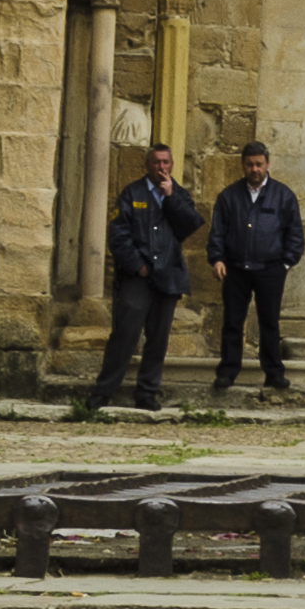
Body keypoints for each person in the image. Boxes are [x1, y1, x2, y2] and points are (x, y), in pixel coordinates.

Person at [93, 142, 199, 411]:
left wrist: (171, 197)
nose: (161, 167)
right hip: (137, 278)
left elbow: (190, 225)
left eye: (165, 162)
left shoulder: (180, 194)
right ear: (147, 165)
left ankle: (147, 392)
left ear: (171, 165)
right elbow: (118, 235)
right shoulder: (132, 193)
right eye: (156, 162)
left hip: (168, 276)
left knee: (158, 339)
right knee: (124, 334)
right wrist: (137, 265)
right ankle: (103, 391)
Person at [202, 140, 305, 396]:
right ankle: (227, 372)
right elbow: (218, 232)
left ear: (267, 164)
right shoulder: (228, 196)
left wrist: (285, 263)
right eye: (250, 164)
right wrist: (217, 259)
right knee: (233, 322)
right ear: (243, 165)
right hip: (236, 269)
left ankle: (274, 374)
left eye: (259, 164)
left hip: (270, 269)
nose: (255, 169)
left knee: (269, 322)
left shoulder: (283, 196)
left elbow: (295, 234)